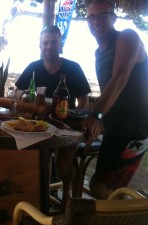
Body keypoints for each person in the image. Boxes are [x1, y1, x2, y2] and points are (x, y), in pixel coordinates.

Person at [15, 25, 91, 210]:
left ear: (60, 44)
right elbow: (17, 93)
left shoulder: (73, 68)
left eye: (53, 43)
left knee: (63, 160)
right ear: (40, 45)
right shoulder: (33, 67)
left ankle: (67, 192)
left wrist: (76, 122)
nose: (49, 46)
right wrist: (21, 100)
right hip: (36, 125)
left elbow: (84, 101)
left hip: (64, 124)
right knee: (28, 157)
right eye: (45, 43)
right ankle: (34, 194)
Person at [82, 0, 148, 199]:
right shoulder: (98, 53)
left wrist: (95, 114)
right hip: (115, 127)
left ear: (114, 17)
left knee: (102, 188)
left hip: (136, 128)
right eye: (91, 16)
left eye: (102, 15)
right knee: (109, 190)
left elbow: (120, 79)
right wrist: (96, 115)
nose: (96, 20)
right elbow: (108, 90)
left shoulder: (127, 37)